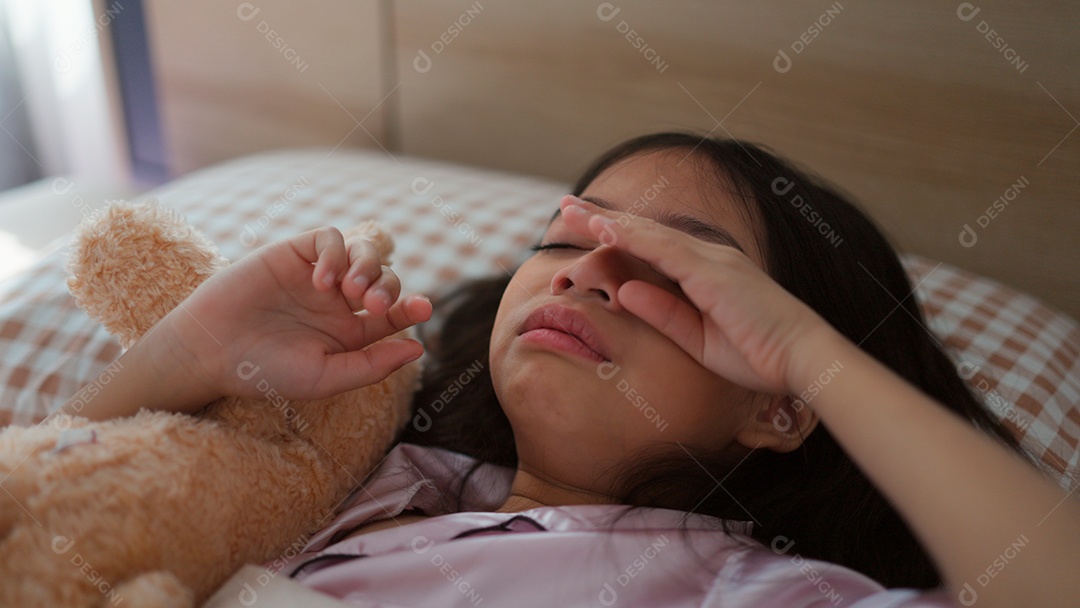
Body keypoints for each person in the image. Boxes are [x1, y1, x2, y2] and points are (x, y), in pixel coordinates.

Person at [56, 133, 1079, 607]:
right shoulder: (379, 472)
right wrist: (194, 349)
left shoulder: (751, 587)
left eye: (673, 267)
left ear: (777, 407)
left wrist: (811, 355)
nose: (589, 272)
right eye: (566, 238)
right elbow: (53, 515)